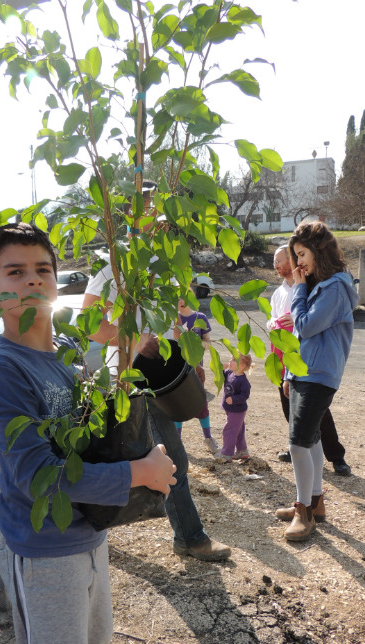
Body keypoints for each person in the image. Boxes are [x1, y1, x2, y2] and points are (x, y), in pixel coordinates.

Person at [0, 222, 177, 644]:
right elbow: (38, 478)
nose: (32, 282)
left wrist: (128, 364)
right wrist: (138, 474)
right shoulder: (3, 369)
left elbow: (86, 433)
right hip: (42, 554)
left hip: (85, 534)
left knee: (90, 642)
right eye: (15, 273)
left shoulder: (61, 355)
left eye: (42, 271)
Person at [81, 190, 231, 562]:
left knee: (149, 455)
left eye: (159, 215)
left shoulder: (160, 271)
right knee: (168, 456)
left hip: (164, 375)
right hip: (131, 380)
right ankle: (190, 538)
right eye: (148, 214)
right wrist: (129, 338)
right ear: (127, 221)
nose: (157, 221)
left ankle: (101, 529)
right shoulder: (112, 271)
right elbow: (89, 325)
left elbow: (174, 321)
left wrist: (188, 356)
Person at [275, 222, 358, 542]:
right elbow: (299, 336)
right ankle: (316, 503)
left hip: (320, 374)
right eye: (295, 255)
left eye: (302, 254)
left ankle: (303, 511)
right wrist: (289, 372)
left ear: (319, 251)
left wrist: (298, 289)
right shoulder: (317, 285)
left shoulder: (336, 287)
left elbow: (306, 326)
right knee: (309, 440)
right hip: (303, 371)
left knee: (297, 443)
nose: (297, 263)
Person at [269, 245, 351, 476]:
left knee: (318, 410)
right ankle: (298, 445)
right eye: (273, 262)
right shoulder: (278, 293)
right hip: (282, 353)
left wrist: (292, 322)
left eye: (279, 260)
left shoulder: (313, 287)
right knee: (289, 407)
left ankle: (336, 456)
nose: (275, 265)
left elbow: (308, 323)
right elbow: (272, 320)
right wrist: (274, 324)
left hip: (307, 357)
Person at [174, 296, 220, 455]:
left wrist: (193, 341)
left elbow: (208, 342)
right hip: (177, 370)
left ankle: (208, 438)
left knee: (201, 403)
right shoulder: (172, 318)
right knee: (177, 405)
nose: (178, 302)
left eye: (180, 297)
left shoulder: (200, 318)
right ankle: (176, 441)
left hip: (195, 370)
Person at [216, 354, 252, 462]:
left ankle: (227, 454)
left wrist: (234, 399)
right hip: (230, 409)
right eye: (230, 359)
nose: (230, 361)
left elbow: (245, 395)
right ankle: (242, 451)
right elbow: (222, 377)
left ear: (242, 366)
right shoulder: (229, 373)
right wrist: (220, 369)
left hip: (238, 410)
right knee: (239, 430)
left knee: (229, 430)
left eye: (233, 360)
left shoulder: (243, 381)